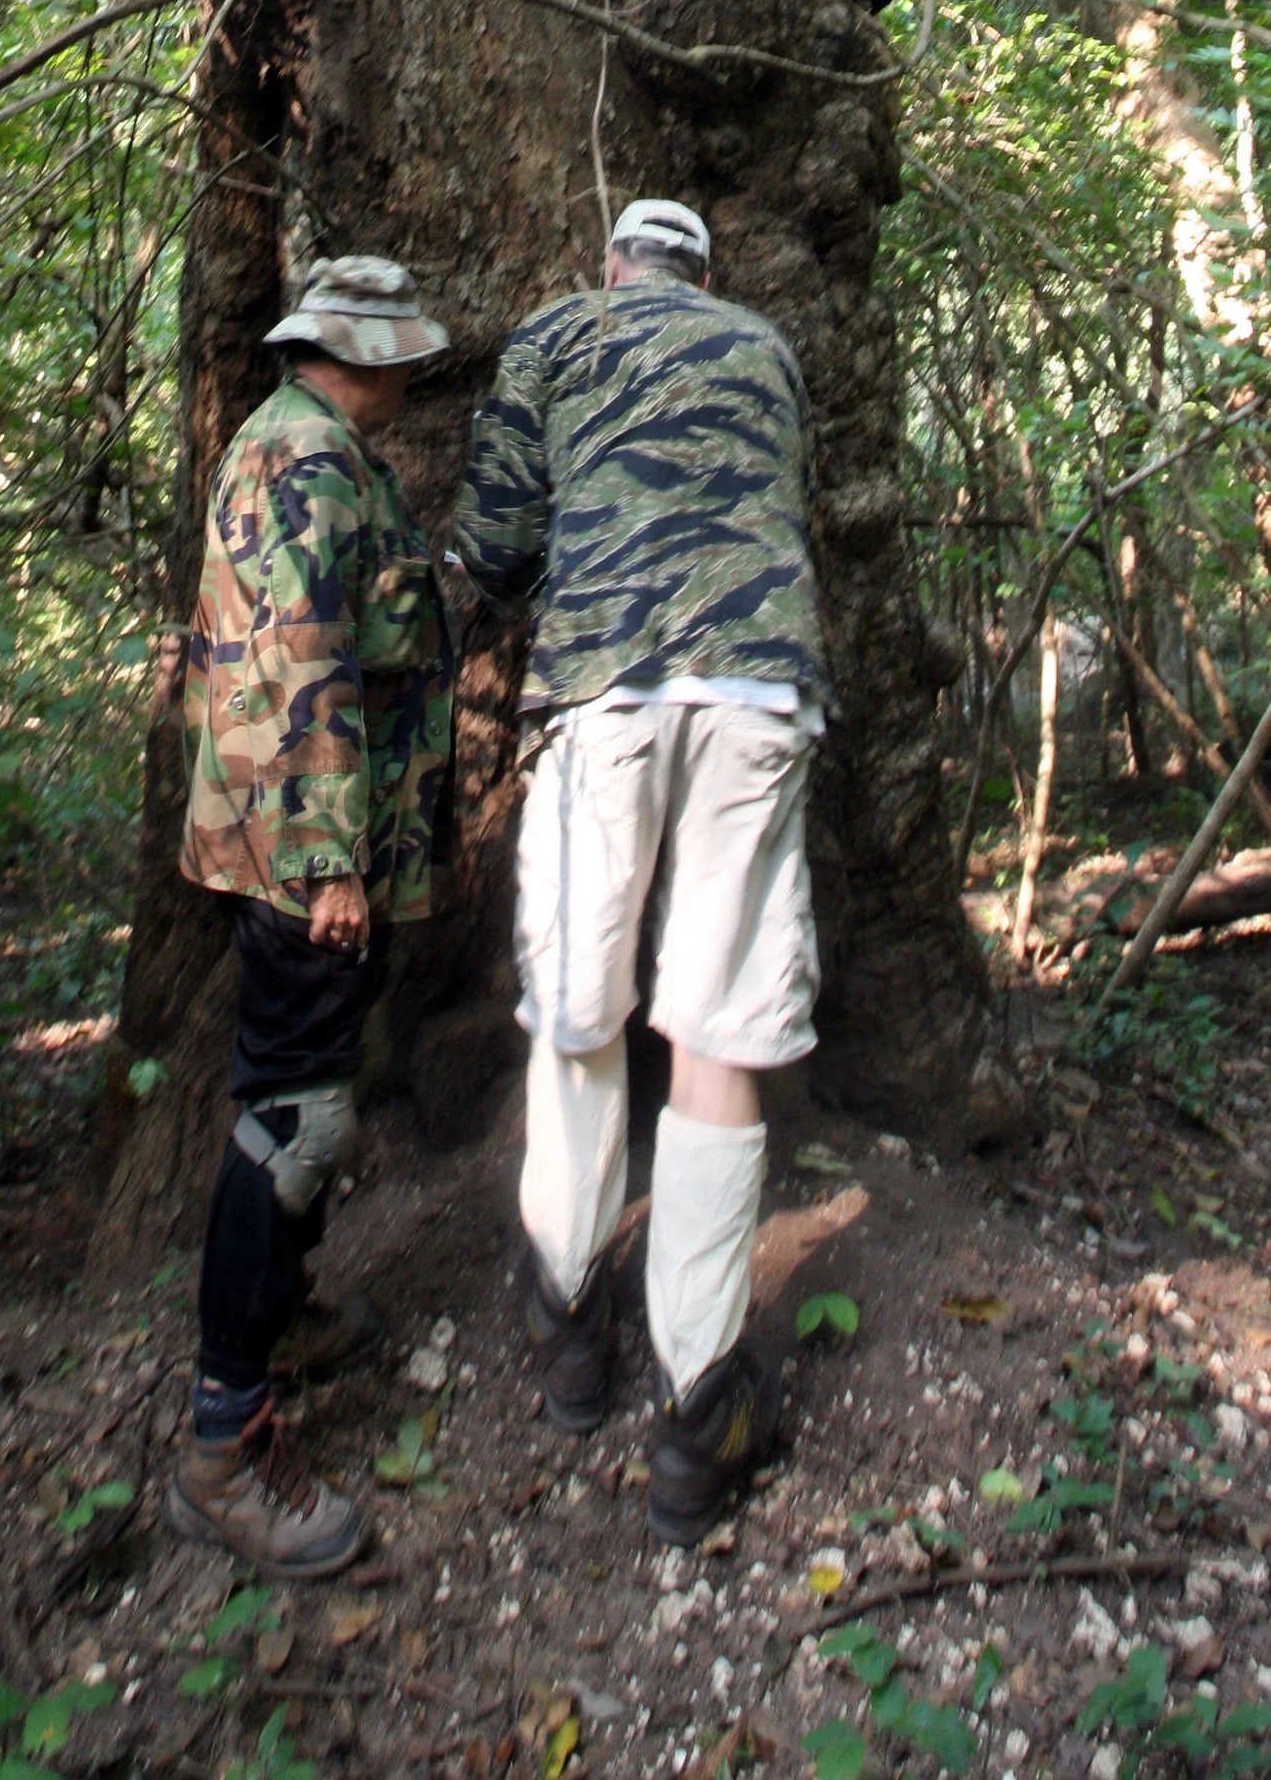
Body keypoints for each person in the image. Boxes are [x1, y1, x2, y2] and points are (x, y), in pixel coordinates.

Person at [453, 195, 823, 1538]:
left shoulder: (554, 332)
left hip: (601, 693)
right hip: (752, 689)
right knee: (720, 1025)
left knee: (578, 1012)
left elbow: (494, 542)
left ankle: (569, 1330)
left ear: (610, 262)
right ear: (707, 271)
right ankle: (699, 1398)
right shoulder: (768, 347)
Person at [165, 256, 455, 1577]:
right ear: (360, 353)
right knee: (295, 1117)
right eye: (399, 353)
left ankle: (276, 1318)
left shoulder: (310, 447)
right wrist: (332, 859)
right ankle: (225, 1439)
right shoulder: (305, 464)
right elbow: (295, 661)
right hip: (302, 853)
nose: (410, 374)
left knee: (301, 1106)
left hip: (296, 835)